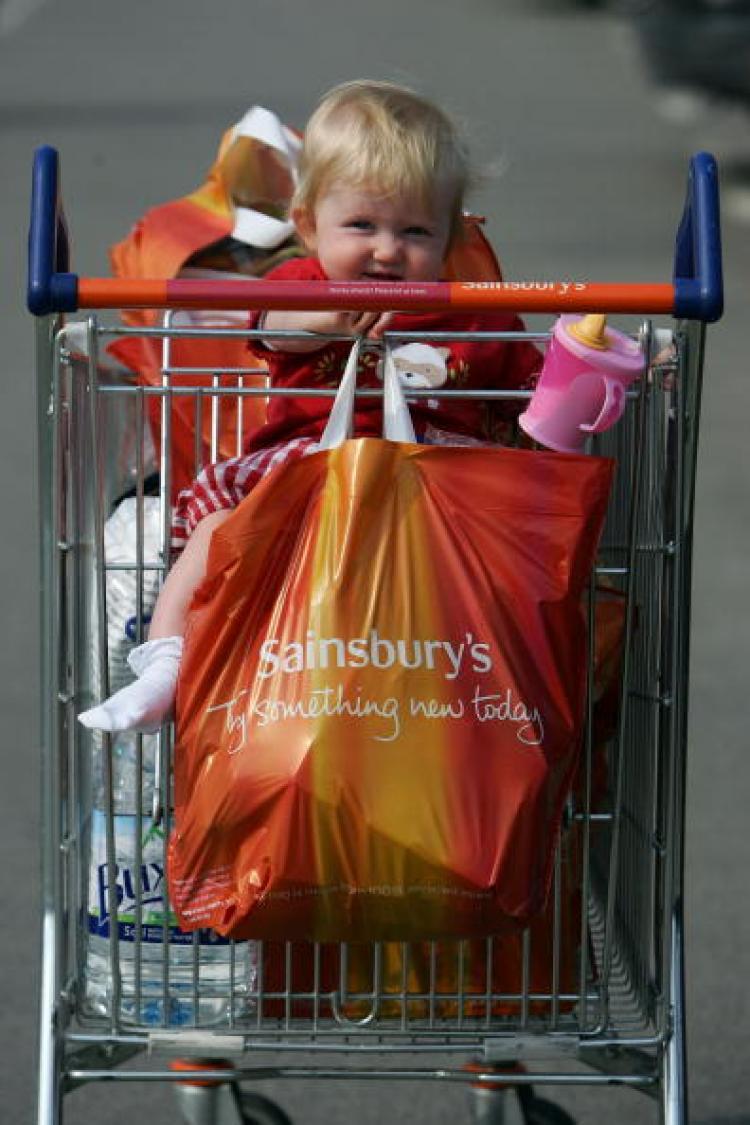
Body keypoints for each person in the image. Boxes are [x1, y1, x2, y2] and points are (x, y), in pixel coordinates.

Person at [78, 79, 541, 735]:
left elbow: (531, 383)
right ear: (308, 225)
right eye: (361, 226)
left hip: (435, 488)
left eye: (415, 231)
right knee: (216, 530)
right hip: (306, 472)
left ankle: (490, 688)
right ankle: (167, 660)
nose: (387, 250)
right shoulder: (304, 285)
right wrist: (324, 319)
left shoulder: (470, 310)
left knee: (500, 554)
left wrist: (600, 360)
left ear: (449, 238)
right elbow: (271, 327)